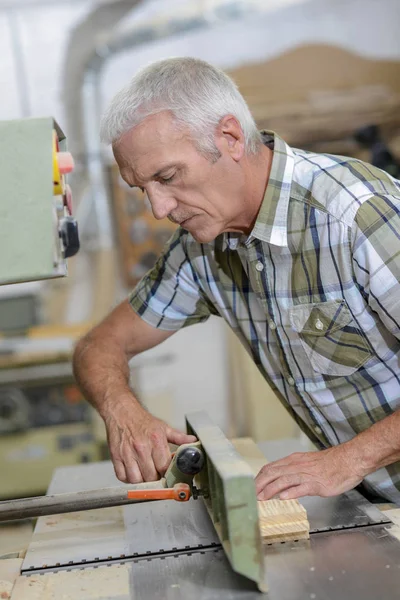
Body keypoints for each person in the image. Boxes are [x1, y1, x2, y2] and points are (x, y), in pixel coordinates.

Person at [73, 57, 400, 505]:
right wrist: (121, 409)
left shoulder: (355, 215)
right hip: (377, 505)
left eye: (167, 177)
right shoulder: (201, 248)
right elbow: (99, 347)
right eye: (142, 188)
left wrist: (345, 461)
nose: (159, 209)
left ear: (228, 137)